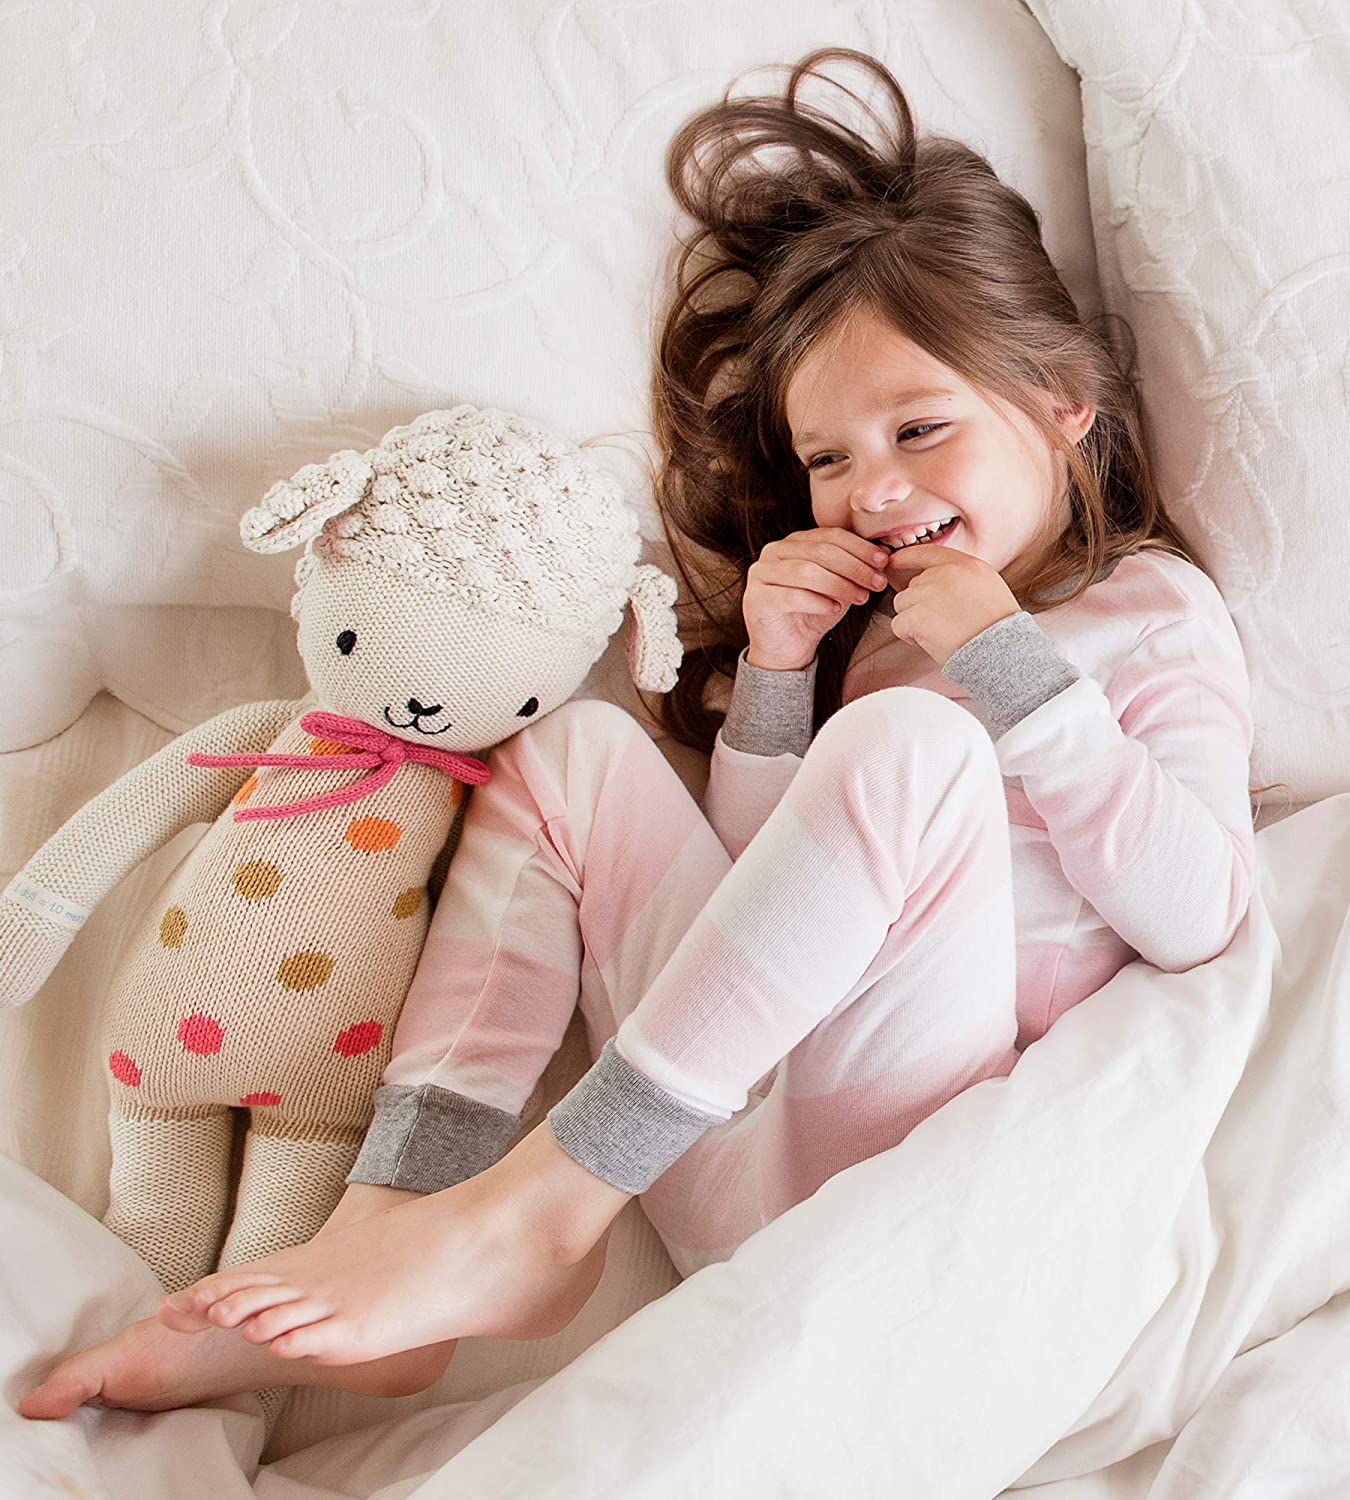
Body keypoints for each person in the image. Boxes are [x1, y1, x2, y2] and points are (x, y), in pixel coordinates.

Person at [20, 46, 1262, 1420]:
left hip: (904, 1169)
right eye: (829, 458)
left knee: (911, 751)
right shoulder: (877, 644)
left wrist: (1009, 669)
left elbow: (1202, 912)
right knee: (570, 753)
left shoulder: (1149, 612)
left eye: (920, 428)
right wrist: (779, 677)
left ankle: (536, 1212)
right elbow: (762, 902)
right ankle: (402, 1216)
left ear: (1063, 404)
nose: (872, 490)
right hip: (709, 1148)